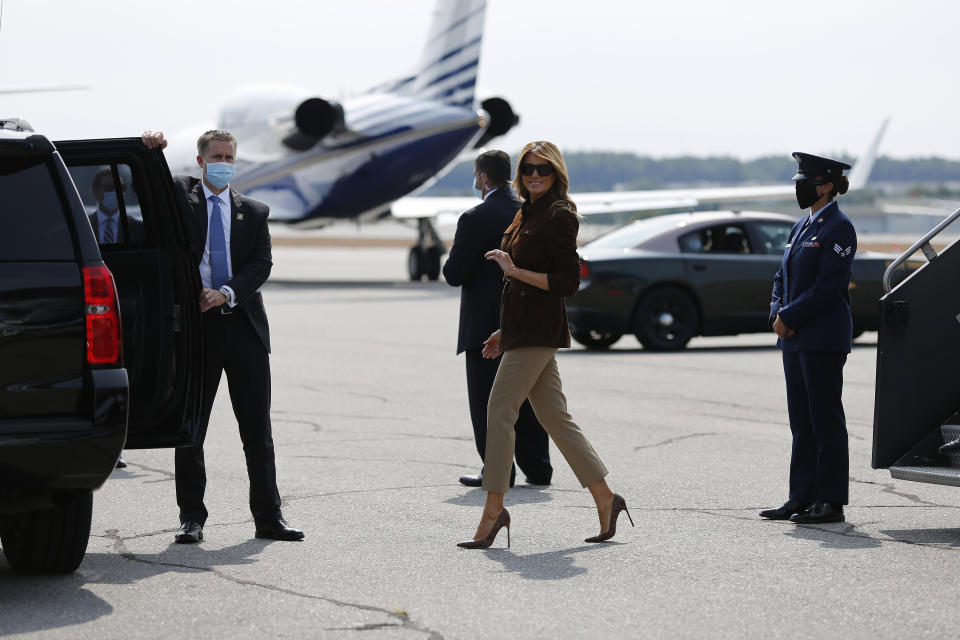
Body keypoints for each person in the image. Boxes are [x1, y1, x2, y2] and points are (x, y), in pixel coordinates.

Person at [458, 141, 632, 549]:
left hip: (538, 331)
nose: (536, 175)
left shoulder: (559, 215)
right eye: (529, 169)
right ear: (520, 174)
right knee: (556, 419)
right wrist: (504, 330)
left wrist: (514, 269)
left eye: (544, 170)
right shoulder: (526, 212)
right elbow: (518, 289)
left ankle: (494, 509)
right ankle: (606, 498)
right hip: (523, 329)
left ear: (556, 175)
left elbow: (566, 283)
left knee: (499, 410)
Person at [142, 129, 303, 544]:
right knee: (191, 428)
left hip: (242, 328)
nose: (224, 162)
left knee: (256, 431)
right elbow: (153, 185)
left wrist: (227, 293)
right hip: (196, 331)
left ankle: (269, 518)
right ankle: (192, 518)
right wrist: (153, 149)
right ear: (200, 162)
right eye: (217, 155)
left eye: (230, 156)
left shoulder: (254, 210)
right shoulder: (182, 197)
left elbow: (262, 263)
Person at [442, 150, 553, 489]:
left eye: (476, 177)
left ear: (483, 178)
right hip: (528, 321)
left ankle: (498, 470)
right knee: (529, 398)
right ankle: (538, 468)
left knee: (489, 401)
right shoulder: (533, 211)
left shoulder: (476, 217)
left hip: (485, 326)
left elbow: (453, 273)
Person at [761, 152, 857, 525]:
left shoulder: (839, 227)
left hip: (822, 337)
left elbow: (829, 287)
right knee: (801, 422)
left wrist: (789, 316)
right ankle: (800, 497)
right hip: (795, 337)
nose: (800, 186)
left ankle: (831, 501)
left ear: (828, 185)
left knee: (825, 421)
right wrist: (776, 311)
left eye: (808, 180)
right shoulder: (802, 225)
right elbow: (781, 277)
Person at [87, 168, 144, 245]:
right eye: (109, 188)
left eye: (120, 187)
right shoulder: (84, 227)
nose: (115, 192)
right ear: (94, 192)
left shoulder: (138, 228)